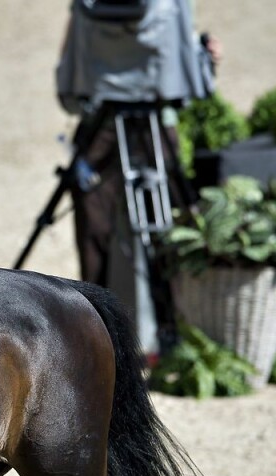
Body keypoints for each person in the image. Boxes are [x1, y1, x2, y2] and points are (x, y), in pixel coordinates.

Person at [55, 0, 219, 352]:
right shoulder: (169, 6)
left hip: (100, 119)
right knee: (172, 227)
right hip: (155, 121)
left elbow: (68, 83)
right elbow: (191, 80)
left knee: (94, 226)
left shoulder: (89, 6)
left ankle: (93, 337)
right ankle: (173, 334)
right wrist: (204, 61)